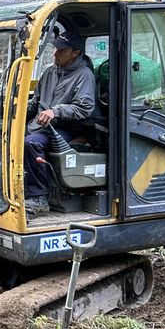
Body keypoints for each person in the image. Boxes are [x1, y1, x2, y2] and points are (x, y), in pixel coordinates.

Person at [24, 30, 96, 217]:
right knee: (8, 137)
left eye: (62, 50)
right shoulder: (50, 72)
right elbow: (35, 102)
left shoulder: (84, 75)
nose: (55, 54)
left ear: (75, 53)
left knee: (31, 143)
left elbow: (84, 108)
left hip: (65, 127)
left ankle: (39, 197)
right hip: (41, 125)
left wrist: (56, 111)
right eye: (56, 49)